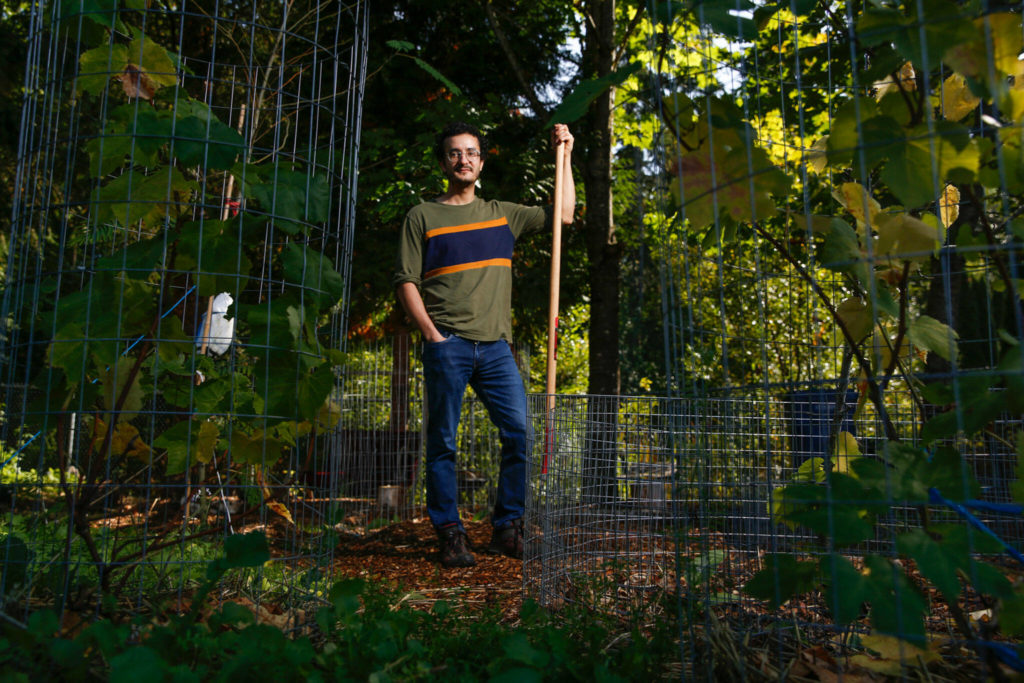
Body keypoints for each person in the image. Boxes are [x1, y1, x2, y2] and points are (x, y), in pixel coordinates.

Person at [393, 121, 575, 567]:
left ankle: (506, 529)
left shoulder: (502, 214)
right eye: (455, 153)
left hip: (496, 348)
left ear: (481, 160)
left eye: (471, 152)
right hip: (448, 345)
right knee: (442, 444)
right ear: (444, 163)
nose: (464, 160)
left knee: (520, 434)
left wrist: (566, 153)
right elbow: (406, 281)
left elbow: (564, 214)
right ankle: (450, 533)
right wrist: (433, 336)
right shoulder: (422, 216)